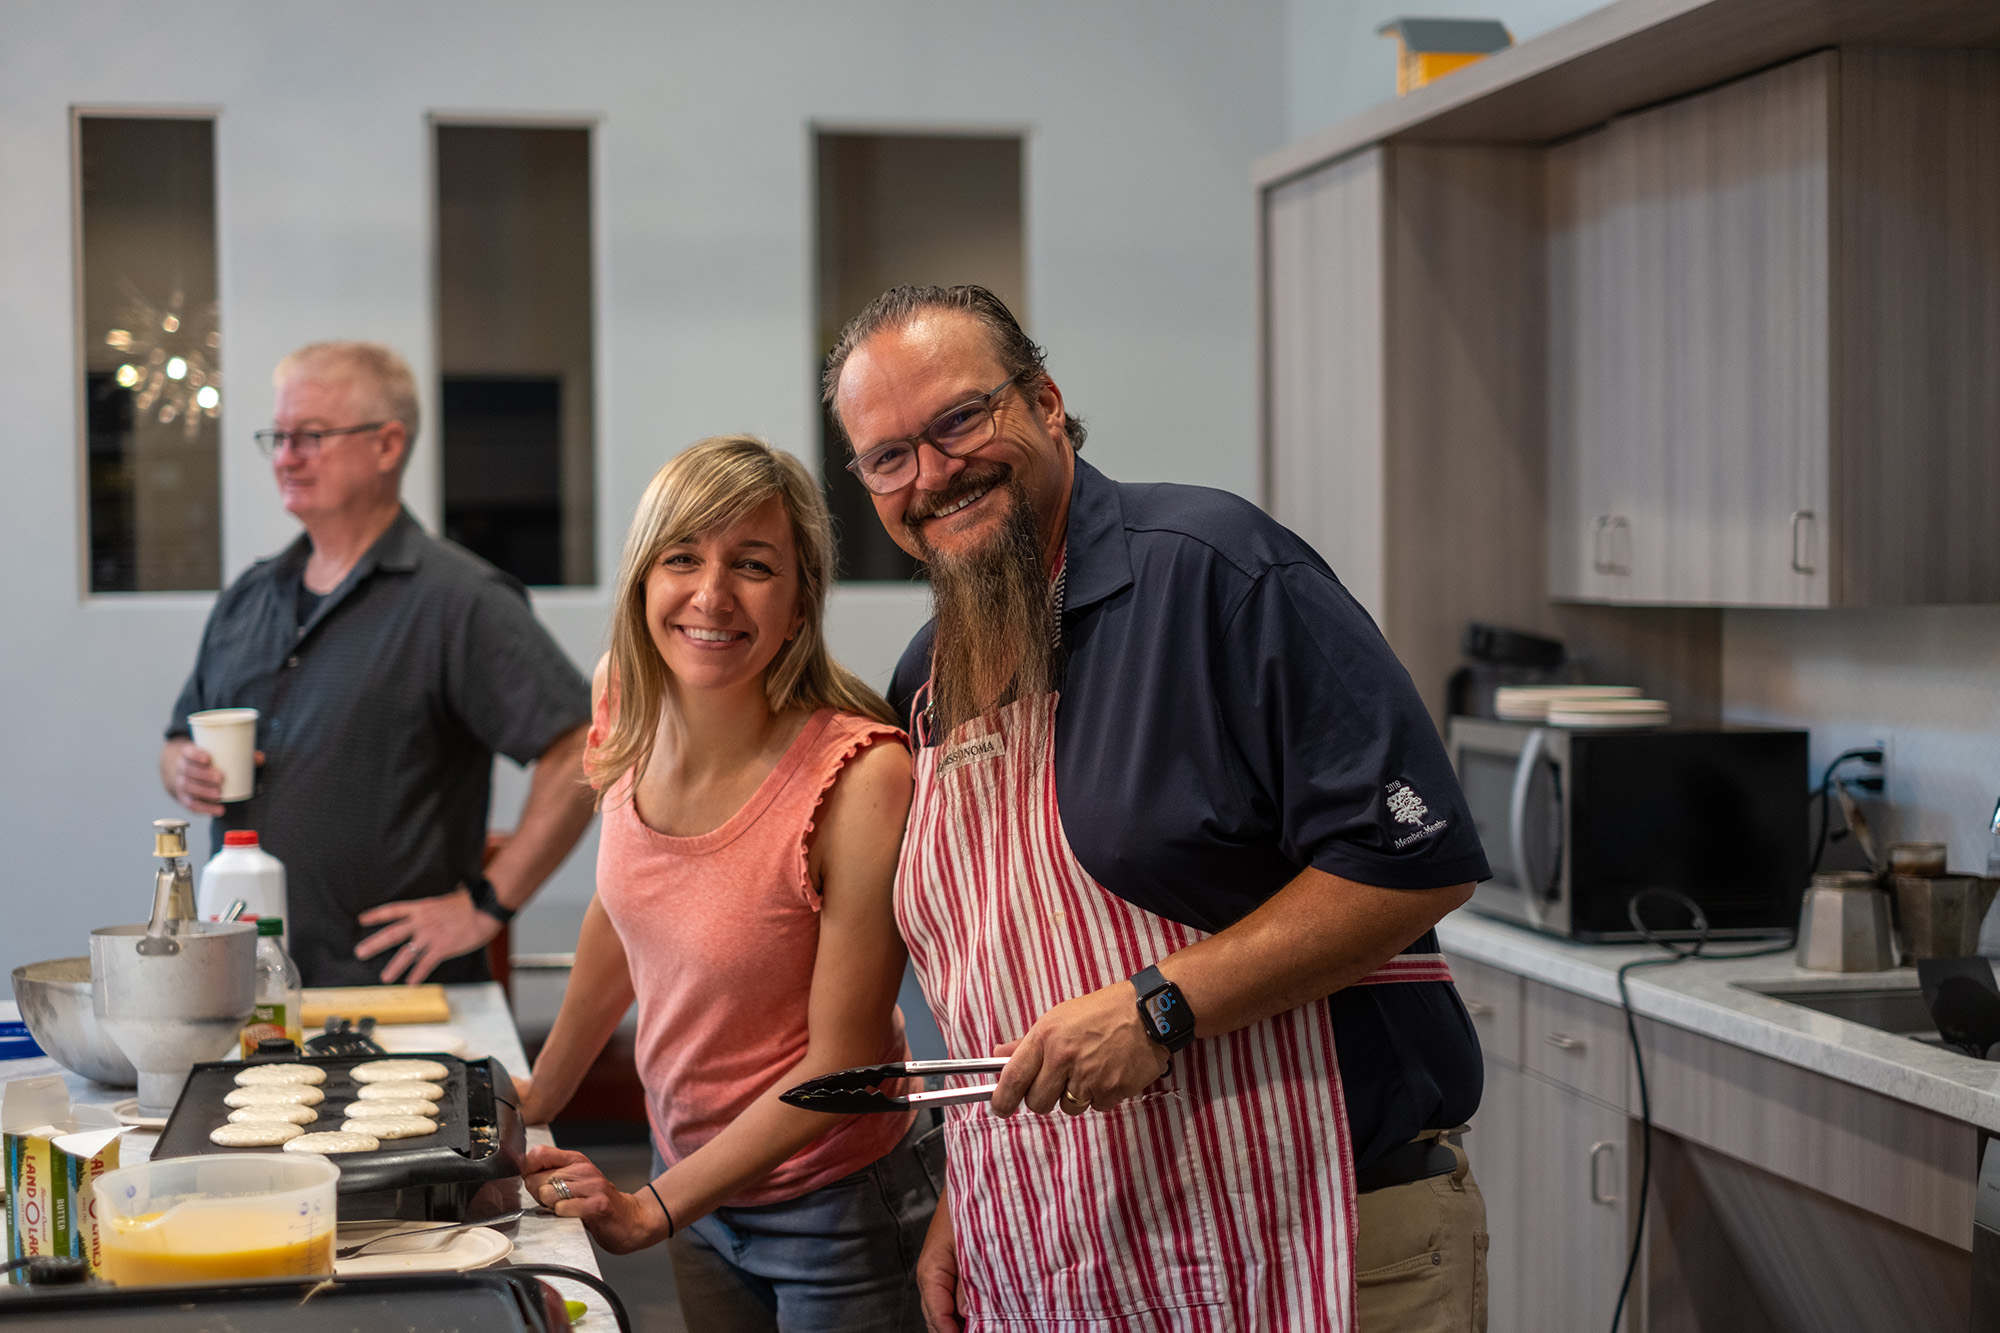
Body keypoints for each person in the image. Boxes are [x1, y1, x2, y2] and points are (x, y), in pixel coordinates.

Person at [825, 286, 1493, 1332]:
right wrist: (972, 1184)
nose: (933, 473)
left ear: (1045, 402)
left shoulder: (1214, 573)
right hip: (1074, 1244)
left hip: (1318, 1229)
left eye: (959, 419)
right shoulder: (926, 681)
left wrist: (1159, 1002)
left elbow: (1415, 856)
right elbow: (1000, 969)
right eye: (888, 456)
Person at [517, 436, 937, 1331]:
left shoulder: (864, 776)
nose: (711, 595)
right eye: (683, 558)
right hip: (701, 1193)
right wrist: (541, 1093)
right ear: (642, 580)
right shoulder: (623, 696)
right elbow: (626, 908)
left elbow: (847, 1068)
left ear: (799, 603)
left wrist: (654, 1205)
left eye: (753, 565)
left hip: (837, 1208)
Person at [161, 341, 596, 986]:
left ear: (387, 446)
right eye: (277, 437)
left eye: (309, 437)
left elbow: (583, 747)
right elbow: (178, 737)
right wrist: (181, 768)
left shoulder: (460, 601)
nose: (284, 458)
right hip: (243, 988)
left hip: (397, 1000)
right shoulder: (248, 598)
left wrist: (486, 905)